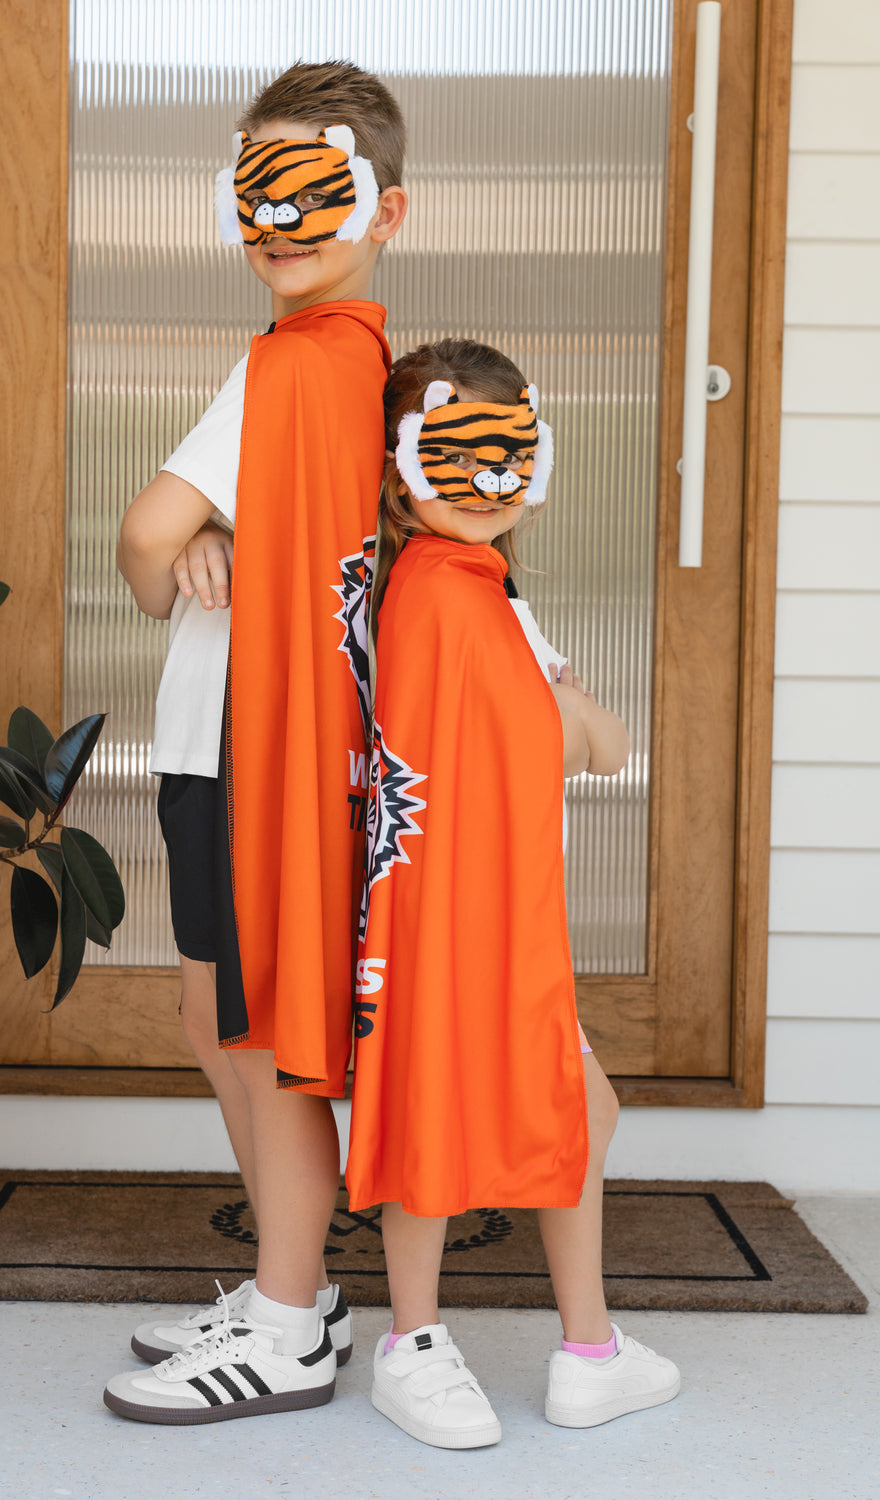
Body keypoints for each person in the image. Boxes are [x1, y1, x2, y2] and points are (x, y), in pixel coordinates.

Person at [104, 61, 408, 1425]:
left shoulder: (296, 364)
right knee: (214, 1016)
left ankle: (288, 1318)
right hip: (229, 739)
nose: (278, 221)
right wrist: (233, 530)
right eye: (257, 193)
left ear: (385, 211)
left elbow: (144, 545)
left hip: (244, 745)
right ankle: (302, 1285)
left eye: (311, 192)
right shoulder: (346, 370)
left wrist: (197, 535)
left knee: (255, 1026)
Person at [344, 338, 680, 1449]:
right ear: (402, 471)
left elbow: (589, 743)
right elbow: (575, 738)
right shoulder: (443, 599)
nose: (488, 486)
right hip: (457, 919)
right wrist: (574, 704)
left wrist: (573, 710)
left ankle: (587, 1348)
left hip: (488, 911)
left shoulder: (477, 596)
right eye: (457, 457)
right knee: (449, 1114)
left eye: (509, 456)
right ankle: (420, 1341)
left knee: (575, 1109)